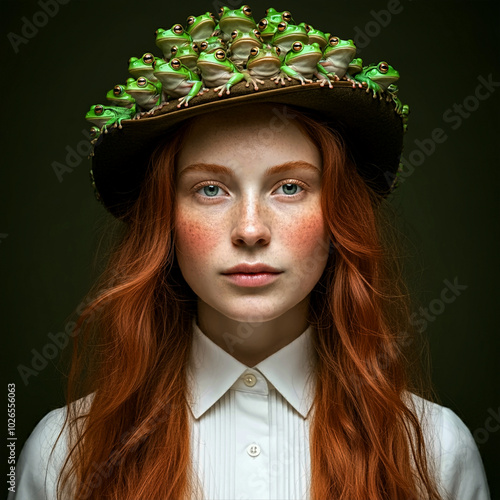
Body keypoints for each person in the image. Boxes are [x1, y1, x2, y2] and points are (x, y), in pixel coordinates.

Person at [9, 5, 490, 500]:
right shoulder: (63, 452)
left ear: (338, 213)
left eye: (289, 187)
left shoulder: (434, 449)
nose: (251, 230)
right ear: (164, 220)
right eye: (211, 190)